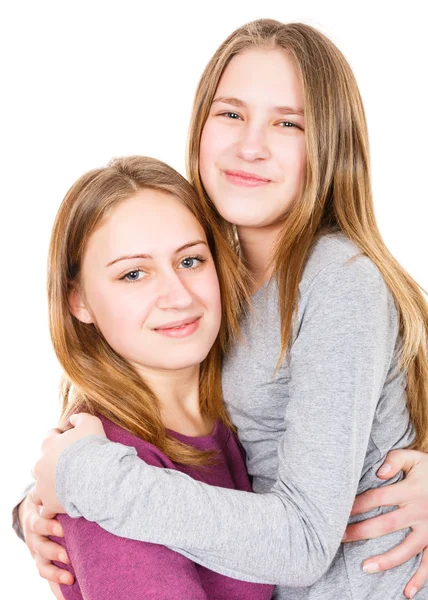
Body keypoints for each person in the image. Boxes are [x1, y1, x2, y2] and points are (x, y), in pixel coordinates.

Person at [19, 19, 428, 600]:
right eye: (231, 113)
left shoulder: (338, 282)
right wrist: (36, 504)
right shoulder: (213, 275)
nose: (251, 145)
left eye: (288, 123)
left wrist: (86, 478)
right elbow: (173, 428)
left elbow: (304, 543)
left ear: (330, 144)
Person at [27, 154, 274, 600]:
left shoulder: (251, 402)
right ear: (78, 301)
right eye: (134, 273)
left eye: (191, 261)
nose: (177, 296)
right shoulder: (98, 475)